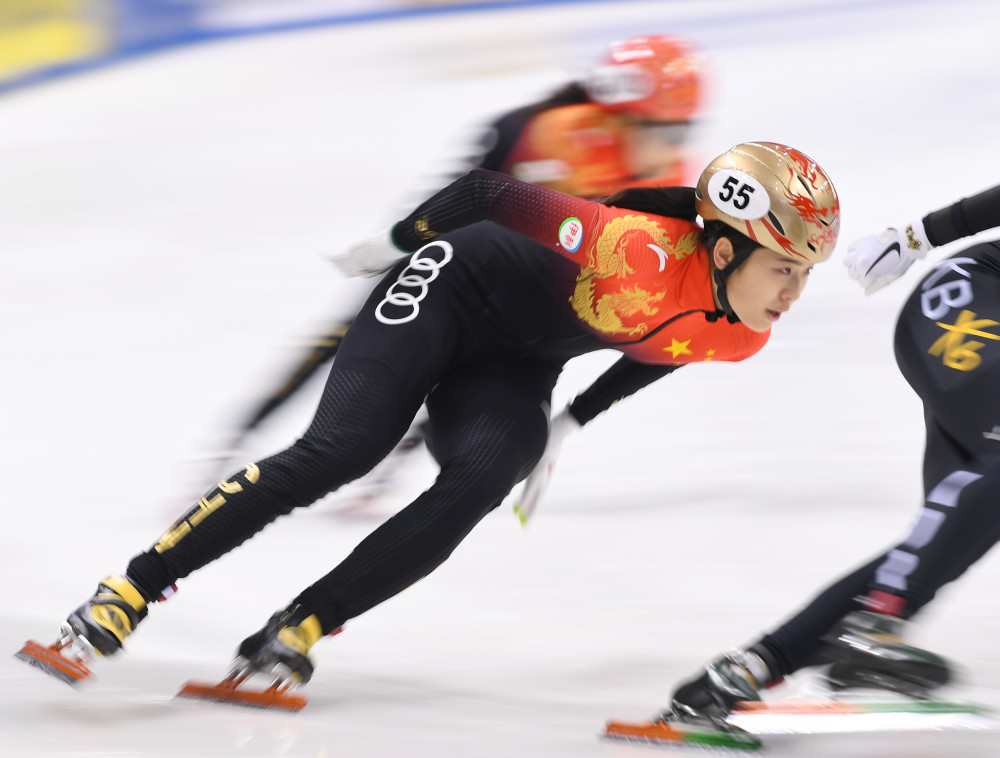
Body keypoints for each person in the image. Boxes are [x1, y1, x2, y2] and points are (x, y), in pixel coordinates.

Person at [24, 142, 840, 699]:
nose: (792, 294)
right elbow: (487, 194)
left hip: (514, 363)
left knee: (488, 473)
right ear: (725, 250)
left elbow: (658, 350)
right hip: (448, 288)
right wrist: (393, 243)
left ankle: (299, 626)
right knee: (343, 449)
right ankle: (128, 589)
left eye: (804, 274)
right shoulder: (631, 245)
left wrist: (570, 424)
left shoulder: (744, 333)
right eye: (783, 268)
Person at [199, 34, 708, 510]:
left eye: (684, 130)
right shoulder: (552, 137)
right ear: (617, 120)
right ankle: (238, 439)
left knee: (475, 353)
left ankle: (392, 462)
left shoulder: (657, 165)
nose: (675, 146)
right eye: (665, 129)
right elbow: (478, 216)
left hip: (514, 250)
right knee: (359, 327)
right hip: (458, 229)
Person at [660, 183, 1000, 730]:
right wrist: (916, 237)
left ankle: (743, 672)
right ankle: (876, 631)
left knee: (941, 544)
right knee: (927, 557)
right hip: (972, 297)